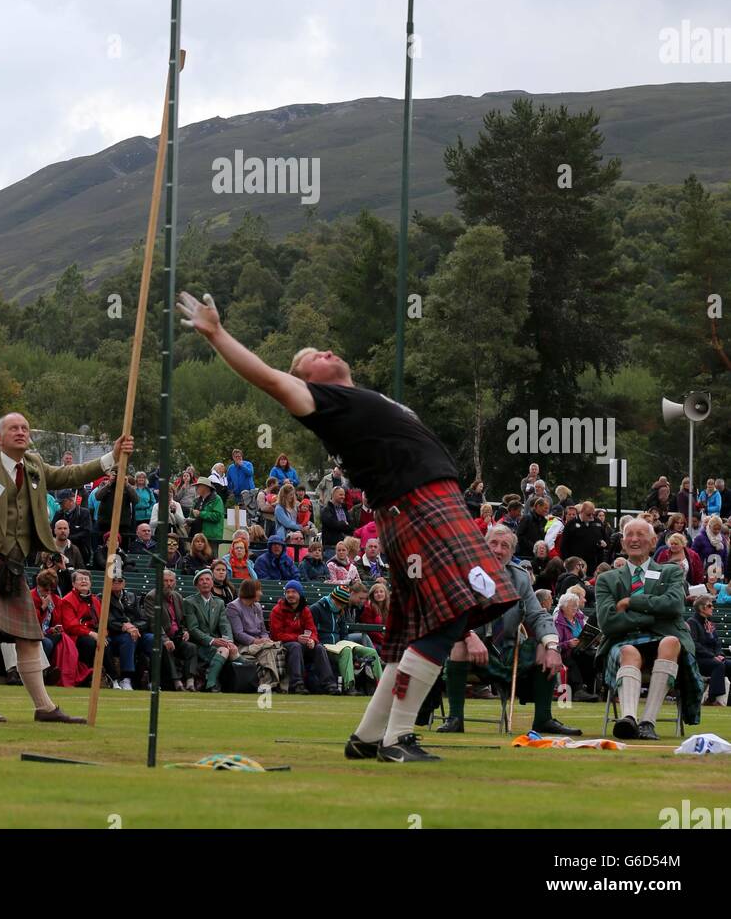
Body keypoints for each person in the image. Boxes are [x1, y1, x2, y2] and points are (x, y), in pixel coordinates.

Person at [177, 289, 516, 763]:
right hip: (417, 510)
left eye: (323, 349)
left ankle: (368, 736)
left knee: (420, 635)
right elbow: (271, 381)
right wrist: (217, 334)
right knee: (443, 624)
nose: (326, 351)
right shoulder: (324, 403)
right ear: (307, 379)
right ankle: (398, 740)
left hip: (434, 507)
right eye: (313, 357)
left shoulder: (366, 398)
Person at [0, 410, 132, 722]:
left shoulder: (34, 467)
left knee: (30, 635)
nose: (21, 432)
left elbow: (72, 475)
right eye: (14, 428)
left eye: (25, 428)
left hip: (14, 566)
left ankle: (44, 708)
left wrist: (111, 457)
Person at [437, 524, 576, 737]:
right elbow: (451, 612)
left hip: (510, 650)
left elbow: (537, 615)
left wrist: (552, 645)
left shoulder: (520, 578)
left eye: (505, 546)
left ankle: (543, 719)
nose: (498, 550)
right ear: (482, 545)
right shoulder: (465, 572)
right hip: (474, 647)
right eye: (493, 543)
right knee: (459, 644)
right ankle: (455, 718)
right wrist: (469, 635)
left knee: (543, 648)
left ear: (512, 553)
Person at [595, 518, 703, 740]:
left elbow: (674, 605)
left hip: (665, 640)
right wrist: (653, 615)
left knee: (671, 642)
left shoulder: (671, 572)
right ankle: (629, 720)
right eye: (630, 535)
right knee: (629, 652)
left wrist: (632, 603)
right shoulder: (606, 579)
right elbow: (608, 623)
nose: (635, 539)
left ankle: (647, 722)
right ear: (623, 543)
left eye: (641, 534)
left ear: (653, 541)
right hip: (623, 643)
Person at [268, 580, 338, 694]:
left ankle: (330, 684)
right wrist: (297, 638)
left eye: (293, 592)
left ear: (300, 594)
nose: (290, 595)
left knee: (319, 647)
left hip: (302, 643)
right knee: (296, 646)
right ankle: (297, 684)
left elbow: (312, 630)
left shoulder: (305, 610)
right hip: (284, 644)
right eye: (288, 592)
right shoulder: (277, 610)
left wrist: (312, 640)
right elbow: (276, 635)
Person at [311, 586, 383, 695]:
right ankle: (349, 687)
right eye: (339, 604)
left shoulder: (341, 610)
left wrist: (344, 641)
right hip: (324, 645)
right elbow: (312, 631)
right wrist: (321, 644)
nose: (341, 607)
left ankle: (381, 686)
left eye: (343, 605)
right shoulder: (316, 609)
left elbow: (344, 631)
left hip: (339, 644)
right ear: (333, 599)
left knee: (371, 652)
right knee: (346, 651)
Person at [61, 569, 126, 689]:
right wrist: (91, 633)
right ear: (73, 584)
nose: (84, 581)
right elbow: (71, 625)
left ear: (91, 583)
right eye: (80, 579)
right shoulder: (67, 600)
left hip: (96, 634)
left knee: (106, 642)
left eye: (86, 579)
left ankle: (112, 678)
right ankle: (106, 678)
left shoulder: (95, 600)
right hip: (75, 636)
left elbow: (102, 621)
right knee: (91, 643)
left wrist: (102, 633)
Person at [183, 568, 238, 692]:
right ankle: (211, 683)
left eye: (208, 579)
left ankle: (214, 681)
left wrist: (229, 641)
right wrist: (212, 641)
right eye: (201, 580)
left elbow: (225, 625)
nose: (205, 582)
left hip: (216, 644)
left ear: (212, 583)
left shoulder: (219, 603)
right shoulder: (189, 602)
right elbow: (193, 629)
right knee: (224, 650)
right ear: (196, 585)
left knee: (234, 653)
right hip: (199, 644)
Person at [142, 569, 197, 691]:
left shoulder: (177, 596)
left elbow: (182, 620)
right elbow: (154, 622)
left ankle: (190, 681)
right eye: (165, 581)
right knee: (165, 647)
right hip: (161, 636)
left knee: (191, 647)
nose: (169, 584)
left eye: (171, 581)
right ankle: (176, 682)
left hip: (177, 636)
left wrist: (185, 631)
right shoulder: (151, 597)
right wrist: (165, 639)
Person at [226, 580, 282, 689]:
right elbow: (238, 633)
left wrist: (265, 639)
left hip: (260, 644)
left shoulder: (257, 606)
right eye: (259, 590)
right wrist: (256, 641)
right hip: (244, 645)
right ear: (250, 591)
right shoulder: (233, 607)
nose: (261, 593)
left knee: (277, 649)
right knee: (269, 650)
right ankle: (272, 684)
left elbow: (263, 631)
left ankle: (272, 684)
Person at [553, 591, 599, 701]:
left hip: (582, 650)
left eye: (576, 606)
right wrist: (568, 643)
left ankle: (590, 689)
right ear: (563, 607)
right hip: (565, 653)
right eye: (572, 606)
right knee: (571, 659)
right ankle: (578, 690)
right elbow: (555, 645)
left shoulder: (579, 618)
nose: (575, 609)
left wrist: (594, 640)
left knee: (592, 657)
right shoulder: (557, 622)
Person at [686, 594, 730, 705]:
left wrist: (719, 654)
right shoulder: (692, 622)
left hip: (712, 658)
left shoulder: (709, 623)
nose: (713, 607)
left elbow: (717, 643)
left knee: (728, 664)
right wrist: (712, 656)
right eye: (710, 605)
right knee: (718, 665)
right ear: (701, 608)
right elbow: (694, 644)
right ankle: (711, 699)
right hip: (699, 659)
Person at [52, 491, 92, 565]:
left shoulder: (84, 513)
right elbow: (52, 529)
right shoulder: (59, 513)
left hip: (80, 550)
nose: (60, 505)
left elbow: (86, 531)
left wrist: (68, 538)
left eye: (62, 502)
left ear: (71, 501)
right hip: (60, 549)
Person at [191, 477, 226, 550]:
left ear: (205, 487)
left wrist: (200, 514)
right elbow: (193, 515)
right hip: (197, 536)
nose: (196, 488)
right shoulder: (197, 500)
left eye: (198, 486)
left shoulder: (217, 499)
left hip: (211, 537)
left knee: (212, 559)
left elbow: (217, 516)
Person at [692, 516, 729, 580]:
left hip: (718, 573)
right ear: (709, 526)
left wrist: (726, 573)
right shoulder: (700, 538)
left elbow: (725, 557)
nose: (717, 531)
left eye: (719, 529)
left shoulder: (721, 539)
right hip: (703, 573)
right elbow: (693, 555)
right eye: (715, 529)